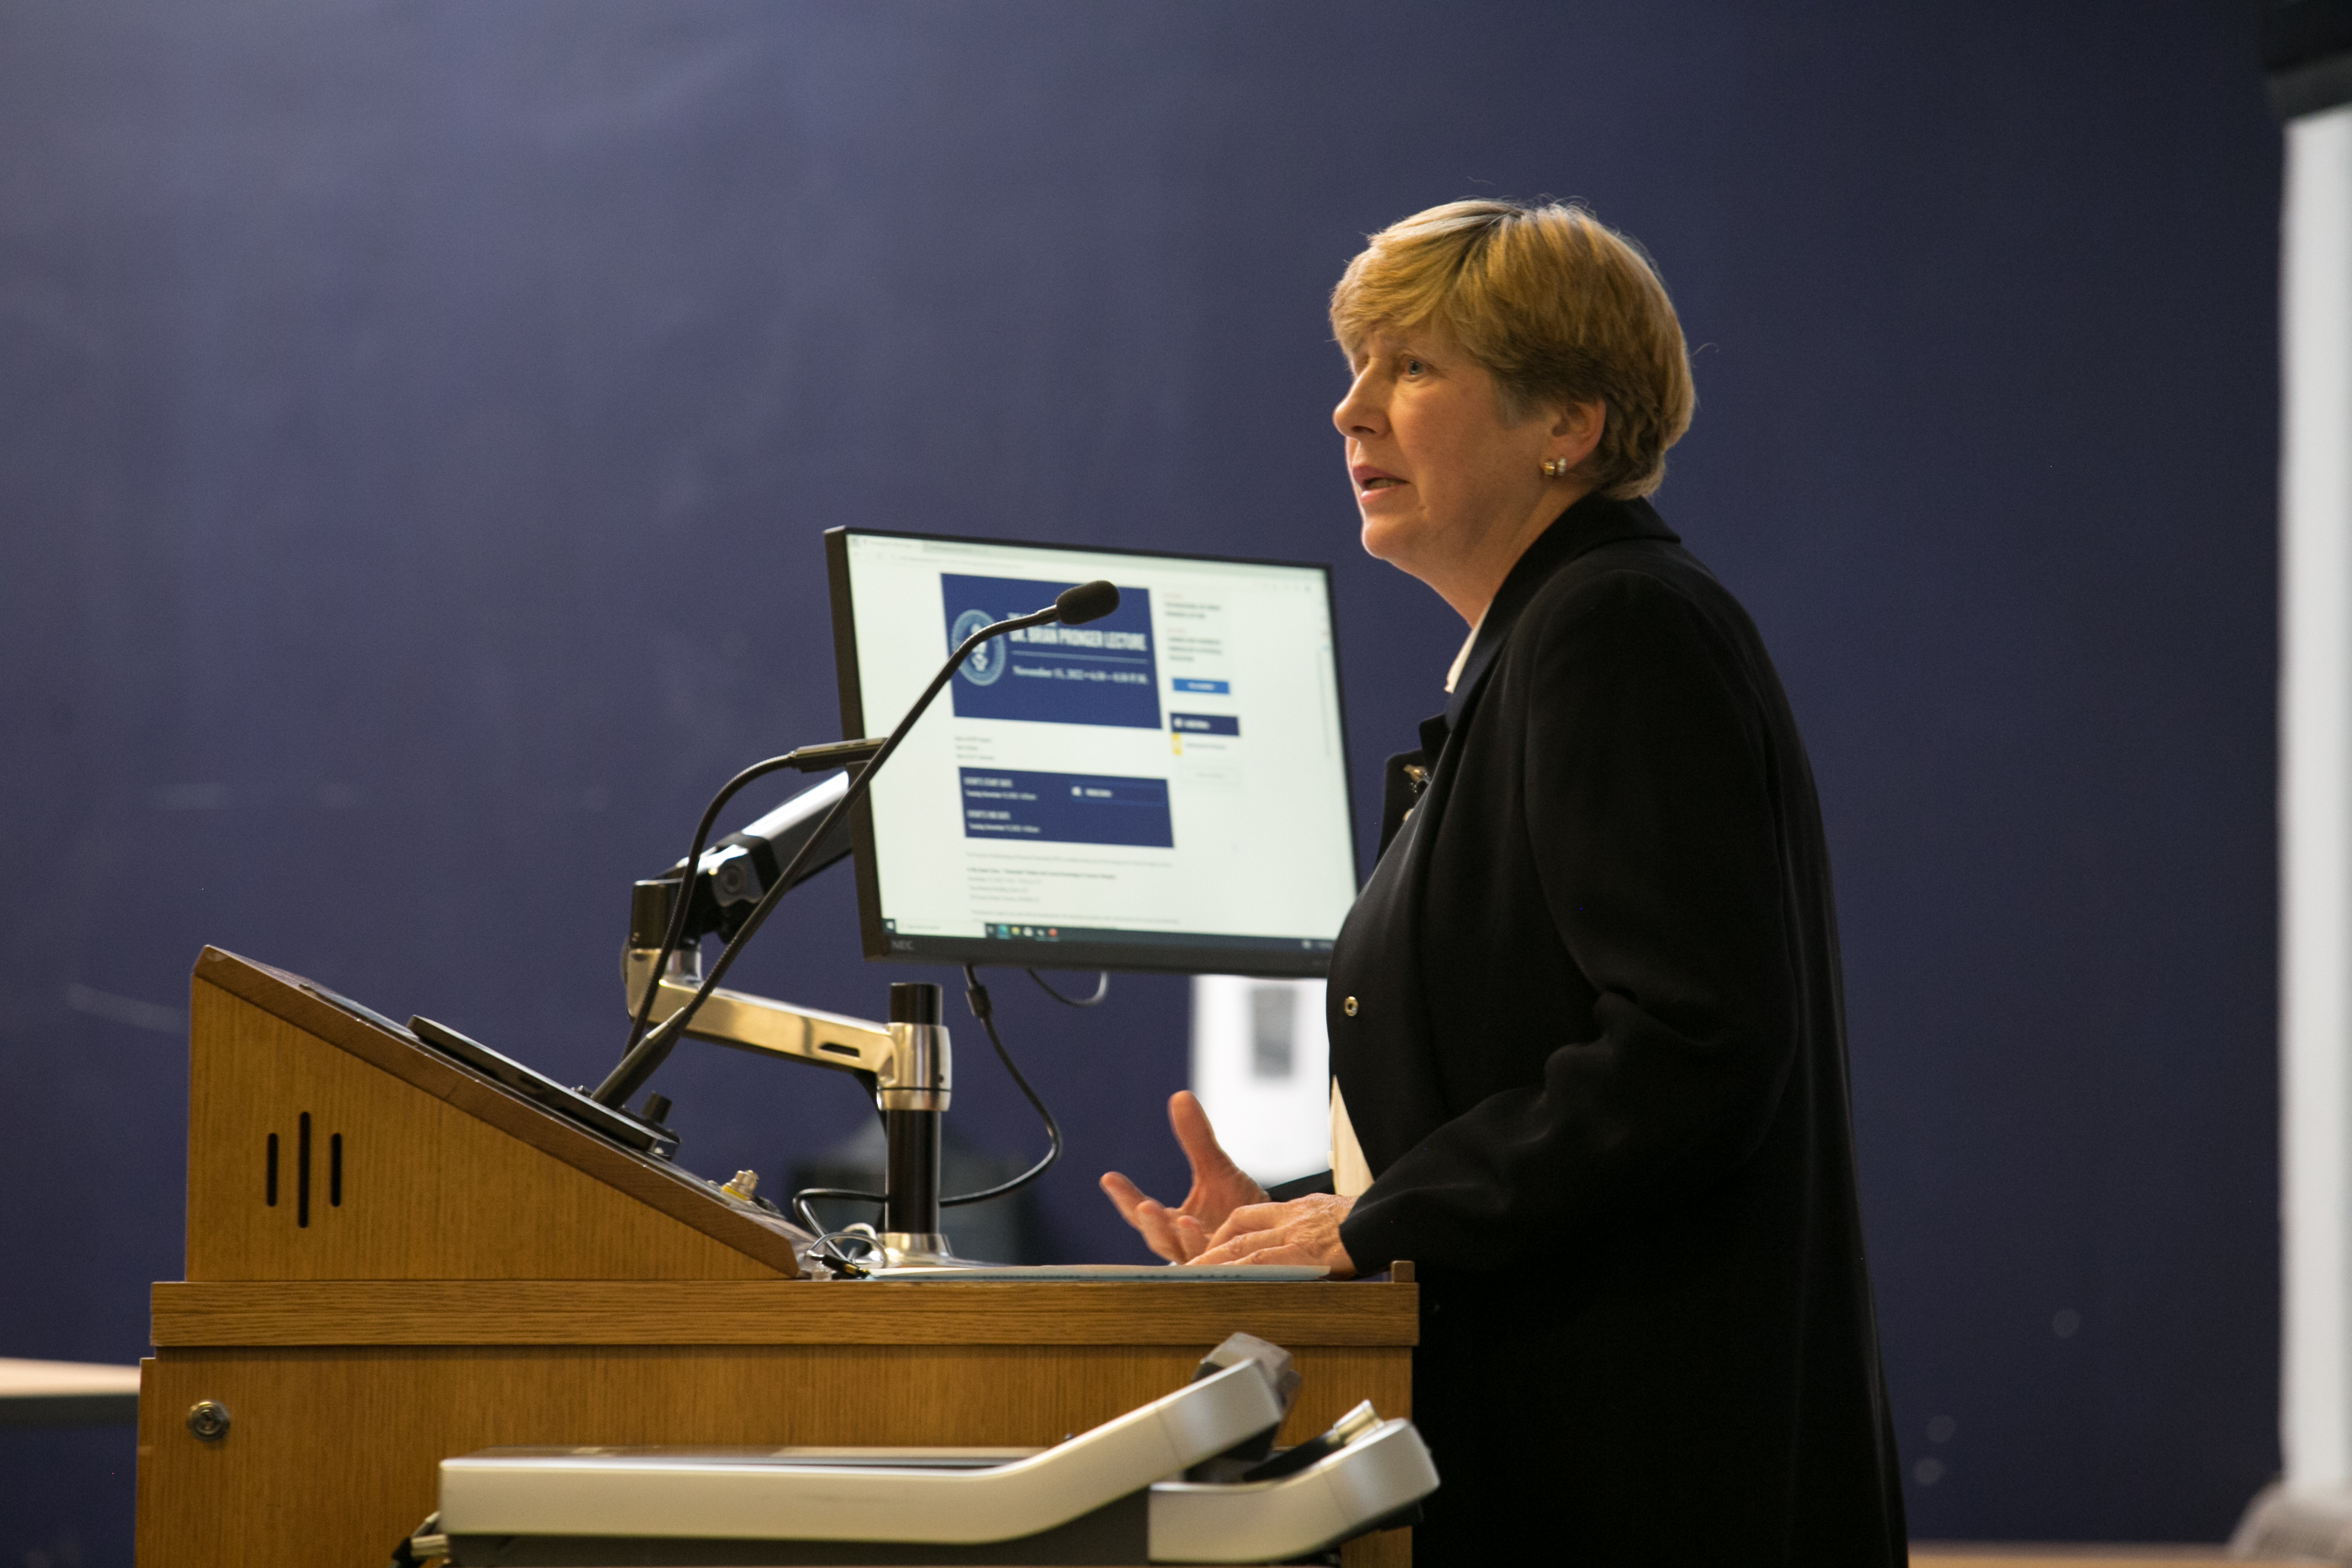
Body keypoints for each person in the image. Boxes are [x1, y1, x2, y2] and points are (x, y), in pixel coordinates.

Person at [1100, 200, 1907, 1565]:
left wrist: (1373, 1222)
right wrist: (1316, 1211)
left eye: (1411, 369)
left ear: (1568, 424)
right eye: (1358, 368)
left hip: (1635, 1486)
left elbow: (1689, 1046)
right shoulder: (1548, 646)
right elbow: (1529, 1066)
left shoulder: (1618, 625)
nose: (1352, 414)